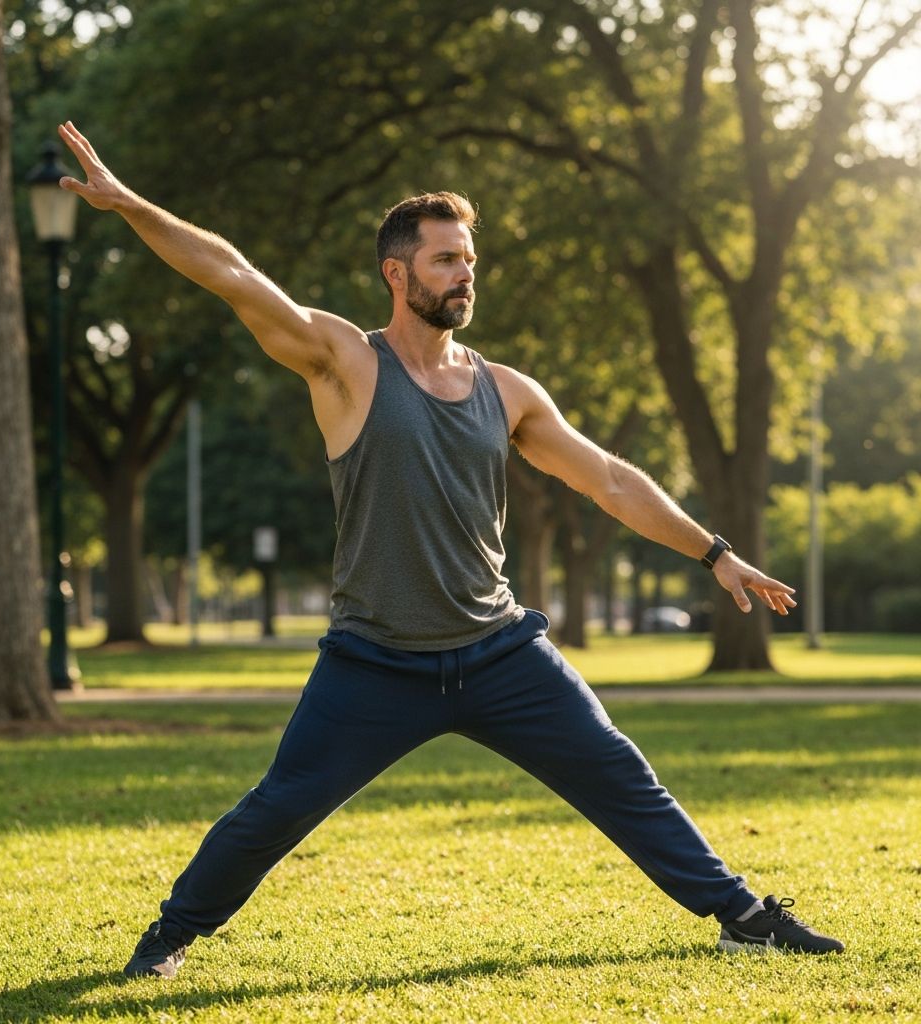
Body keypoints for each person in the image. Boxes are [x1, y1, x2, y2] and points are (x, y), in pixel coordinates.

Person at [56, 121, 844, 979]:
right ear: (397, 274)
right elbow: (234, 275)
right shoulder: (345, 363)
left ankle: (740, 915)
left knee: (620, 772)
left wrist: (716, 553)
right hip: (375, 659)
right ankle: (168, 938)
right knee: (276, 809)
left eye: (469, 260)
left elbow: (611, 479)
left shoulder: (505, 390)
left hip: (500, 651)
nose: (464, 274)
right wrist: (129, 204)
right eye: (445, 261)